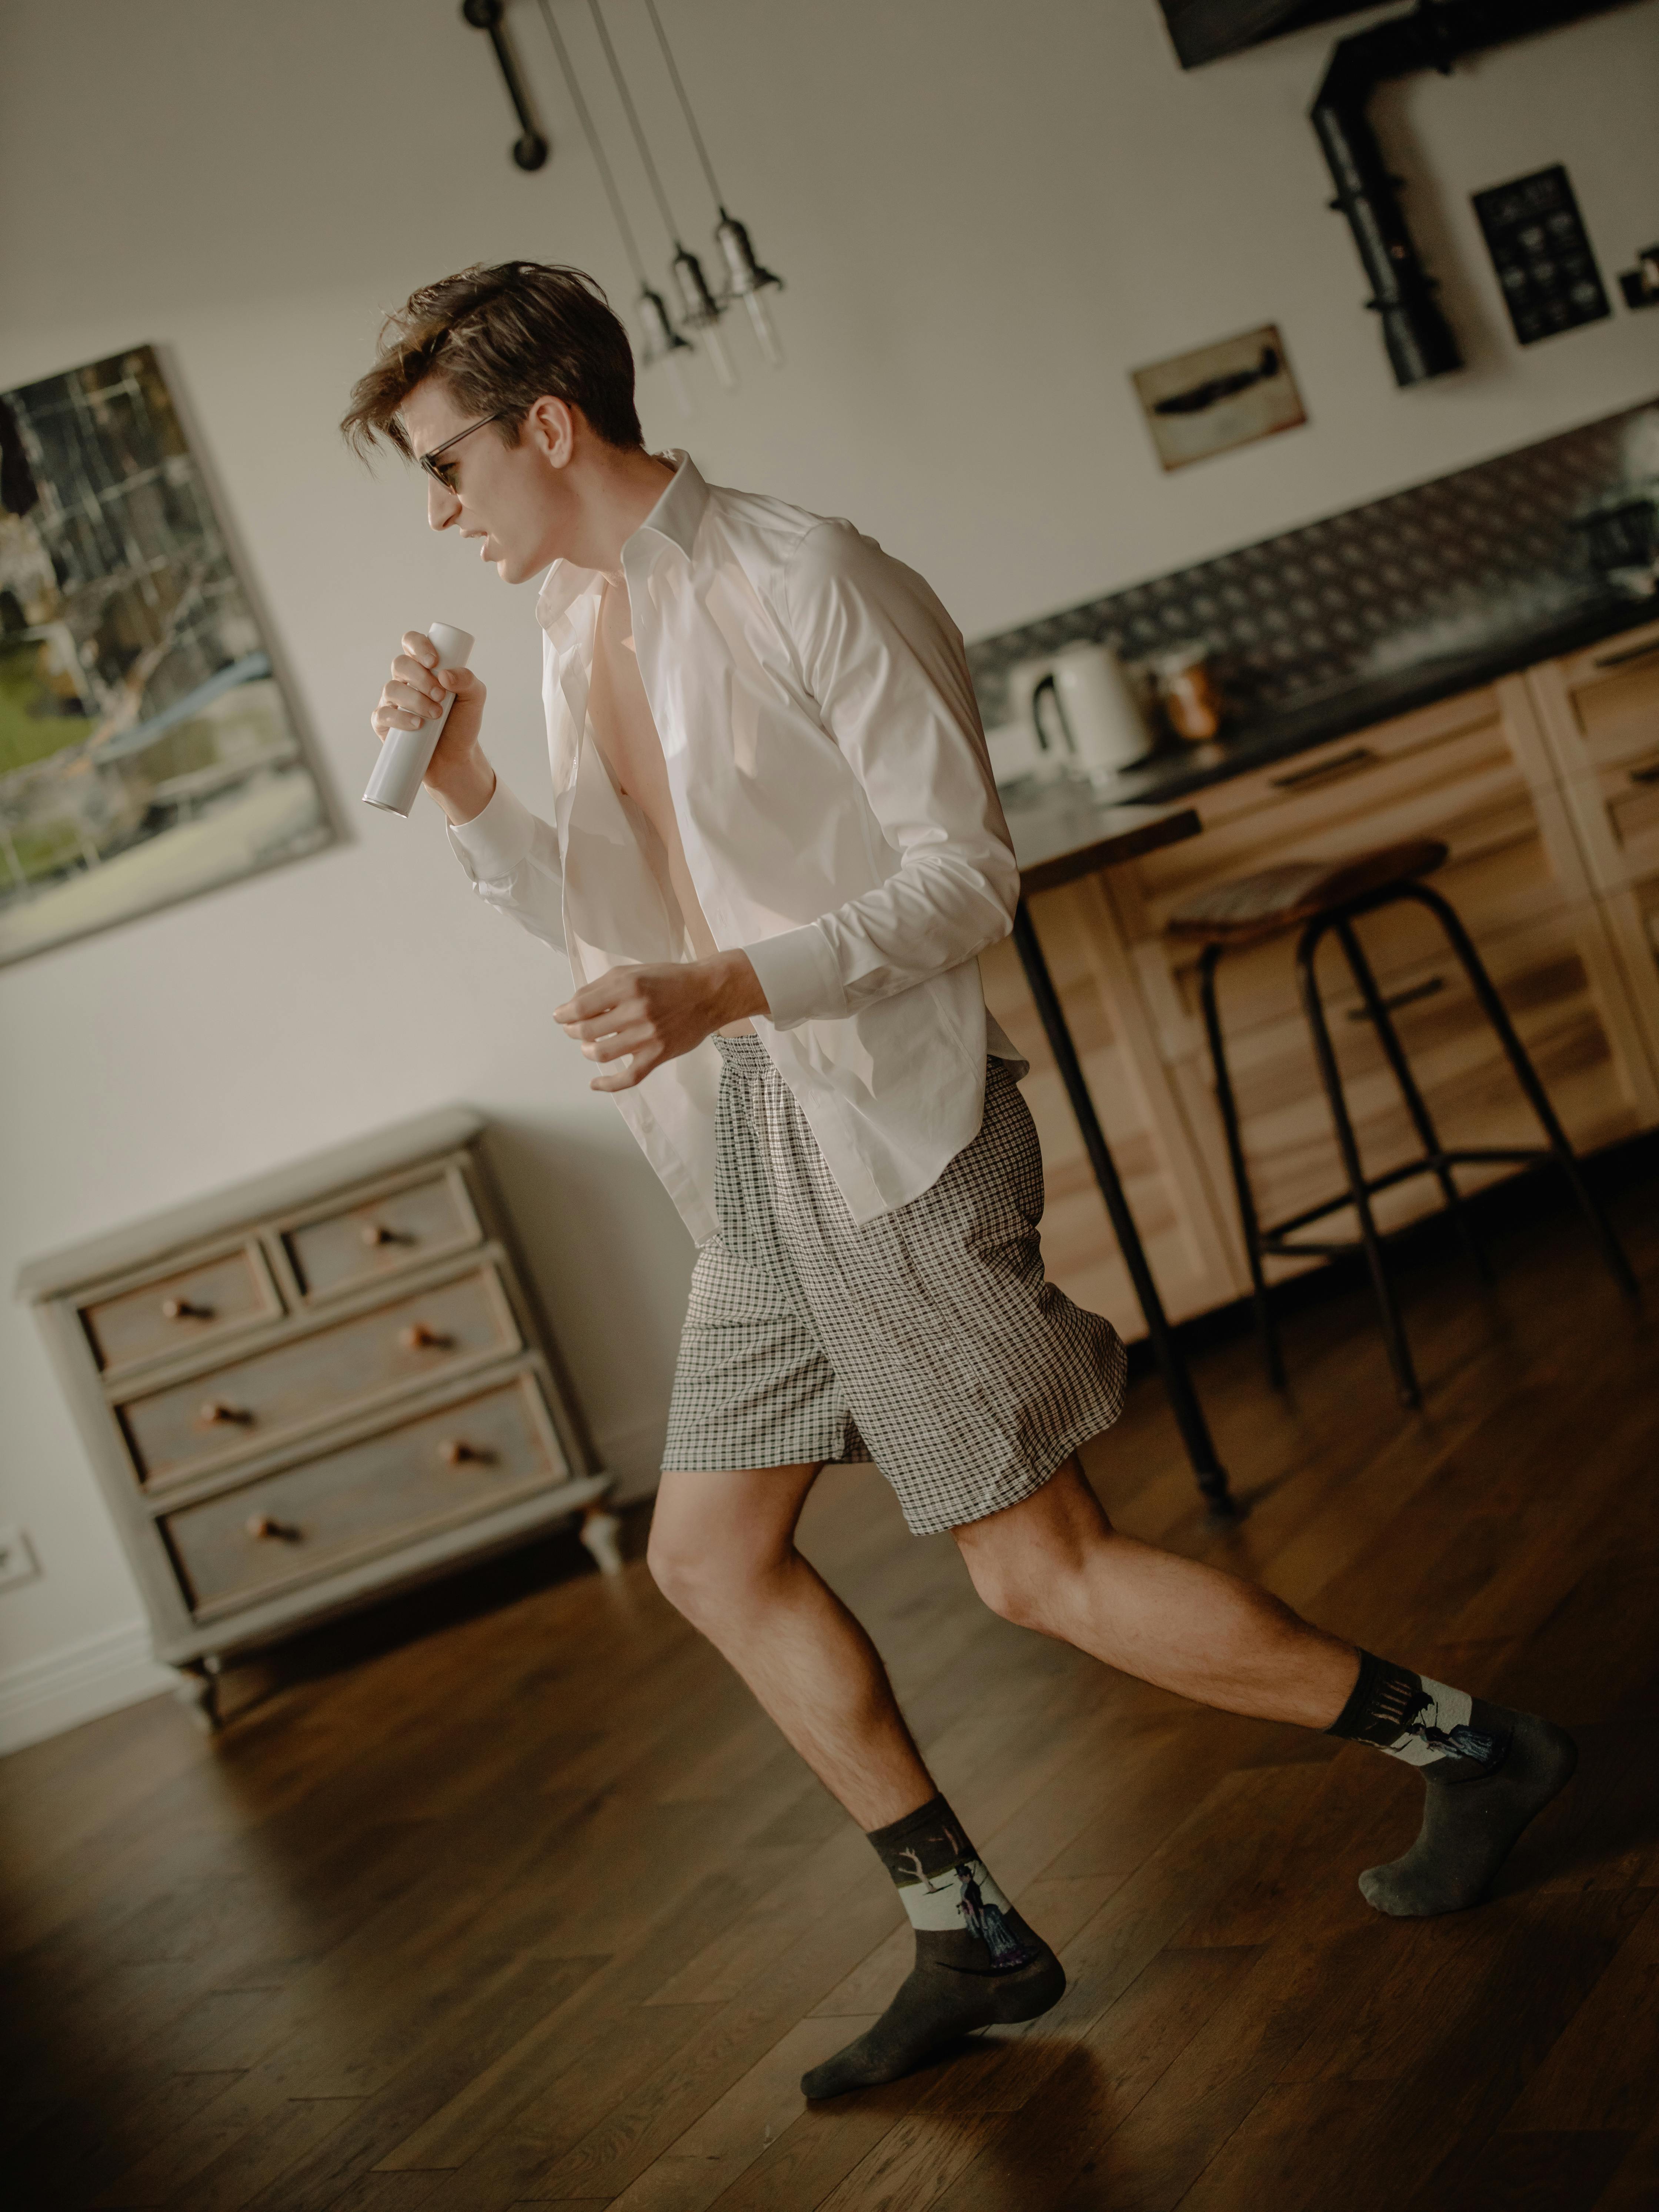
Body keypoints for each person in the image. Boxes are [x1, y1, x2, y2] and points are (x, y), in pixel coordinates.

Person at [344, 262, 1578, 2101]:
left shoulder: (806, 575)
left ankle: (1471, 1750)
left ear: (548, 425)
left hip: (883, 1135)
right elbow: (621, 916)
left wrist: (731, 983)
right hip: (747, 1144)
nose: (440, 516)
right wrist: (464, 792)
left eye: (447, 465)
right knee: (705, 1556)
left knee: (1040, 1574)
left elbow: (962, 877)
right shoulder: (571, 626)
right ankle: (965, 1932)